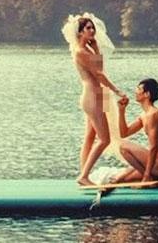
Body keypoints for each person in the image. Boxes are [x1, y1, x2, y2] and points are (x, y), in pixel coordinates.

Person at [61, 13, 126, 186]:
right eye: (88, 28)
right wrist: (117, 90)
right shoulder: (80, 52)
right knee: (105, 139)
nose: (92, 31)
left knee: (90, 137)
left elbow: (100, 69)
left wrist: (96, 50)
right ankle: (83, 176)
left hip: (98, 94)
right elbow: (99, 75)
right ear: (80, 32)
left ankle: (84, 174)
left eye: (93, 28)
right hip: (92, 96)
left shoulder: (88, 50)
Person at [112, 78, 158, 185]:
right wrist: (121, 110)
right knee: (124, 179)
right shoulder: (144, 115)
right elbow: (124, 133)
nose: (135, 91)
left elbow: (153, 147)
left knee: (123, 147)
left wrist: (146, 175)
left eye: (139, 89)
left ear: (147, 94)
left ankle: (149, 177)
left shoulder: (153, 114)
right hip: (157, 165)